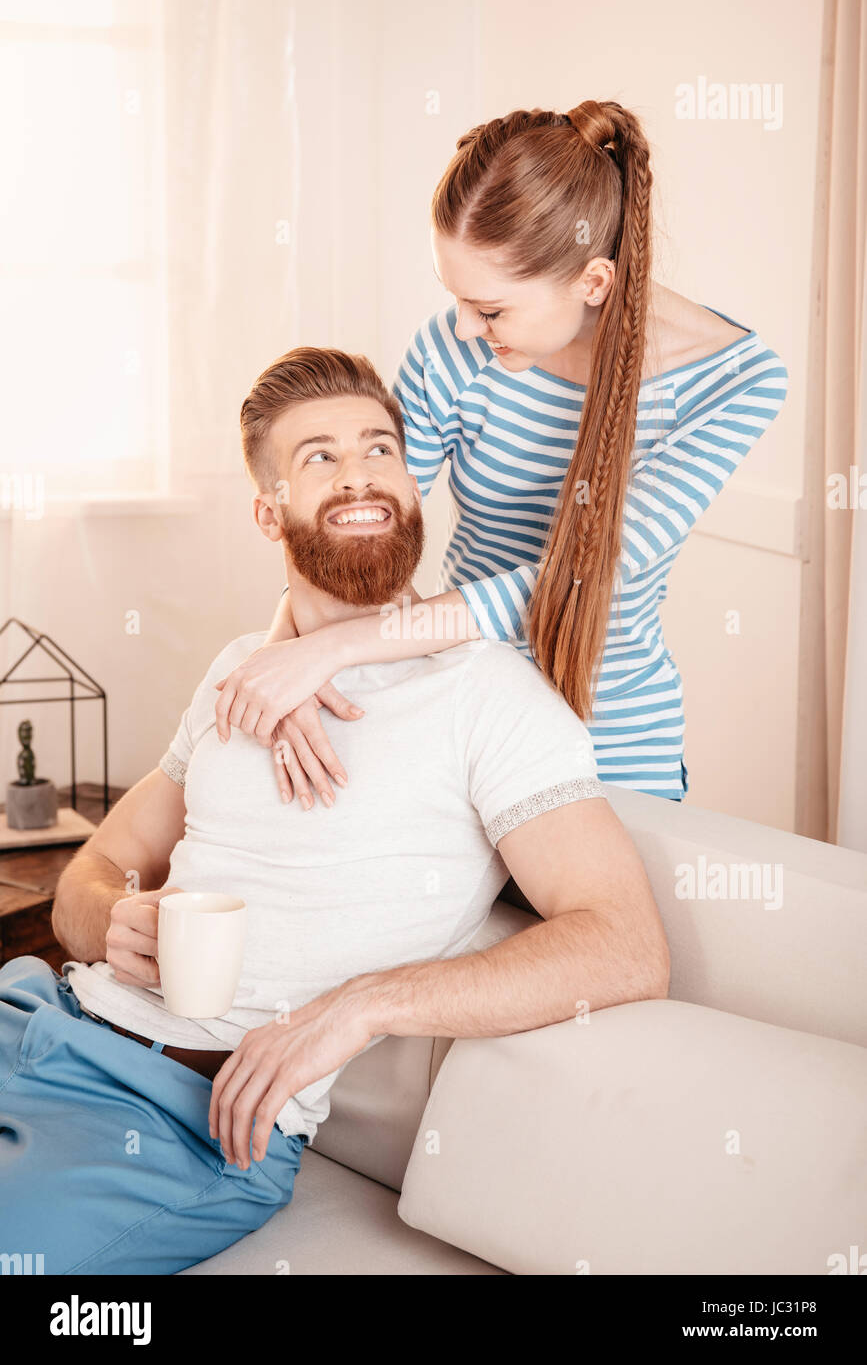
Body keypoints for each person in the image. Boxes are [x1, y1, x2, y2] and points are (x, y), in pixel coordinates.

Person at [0, 347, 669, 1275]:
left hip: (181, 1117)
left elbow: (625, 945)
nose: (359, 473)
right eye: (318, 456)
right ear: (268, 511)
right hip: (35, 1013)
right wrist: (108, 918)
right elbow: (96, 863)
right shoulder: (240, 668)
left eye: (380, 448)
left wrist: (359, 1007)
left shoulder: (489, 696)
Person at [211, 99, 789, 806]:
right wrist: (283, 653)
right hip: (463, 718)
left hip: (610, 745)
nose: (461, 327)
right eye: (455, 298)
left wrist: (331, 649)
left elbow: (584, 574)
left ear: (592, 282)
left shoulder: (736, 381)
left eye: (488, 310)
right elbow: (367, 516)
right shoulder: (457, 348)